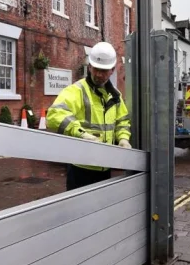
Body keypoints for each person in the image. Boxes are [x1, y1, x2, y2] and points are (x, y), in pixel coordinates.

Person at [46, 42, 132, 191]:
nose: (99, 74)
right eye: (96, 69)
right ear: (90, 67)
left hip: (104, 167)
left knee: (100, 211)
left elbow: (122, 122)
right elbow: (54, 115)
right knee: (79, 211)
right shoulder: (77, 90)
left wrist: (123, 139)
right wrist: (82, 134)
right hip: (81, 167)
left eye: (104, 71)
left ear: (112, 70)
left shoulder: (115, 96)